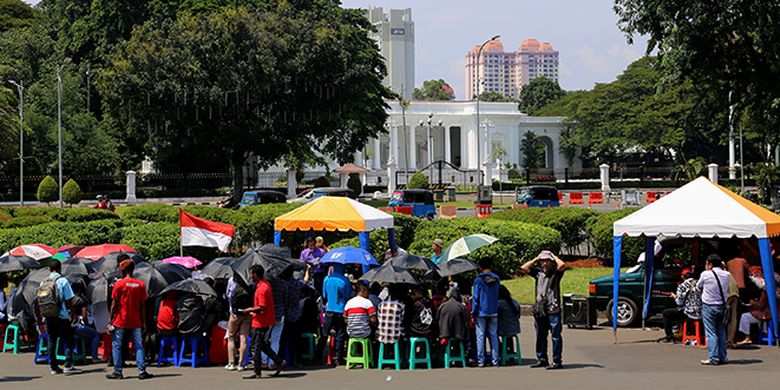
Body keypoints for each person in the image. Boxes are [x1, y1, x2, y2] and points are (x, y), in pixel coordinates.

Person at [107, 259, 153, 379]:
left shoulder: (119, 284)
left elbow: (114, 304)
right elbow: (143, 305)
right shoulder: (140, 284)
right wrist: (143, 321)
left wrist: (110, 320)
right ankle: (142, 371)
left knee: (117, 345)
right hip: (136, 321)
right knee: (138, 345)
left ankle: (117, 371)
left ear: (123, 270)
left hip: (120, 320)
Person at [521, 250, 567, 370]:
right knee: (540, 335)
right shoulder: (538, 273)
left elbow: (562, 265)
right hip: (540, 309)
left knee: (556, 336)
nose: (545, 263)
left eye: (547, 260)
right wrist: (536, 258)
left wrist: (554, 256)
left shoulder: (556, 273)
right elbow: (524, 268)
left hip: (553, 308)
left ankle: (557, 361)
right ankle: (542, 359)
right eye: (543, 261)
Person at [34, 261, 79, 375]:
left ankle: (54, 367)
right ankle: (68, 364)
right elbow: (69, 300)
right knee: (69, 339)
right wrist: (73, 314)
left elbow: (39, 301)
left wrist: (40, 319)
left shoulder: (43, 283)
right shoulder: (63, 281)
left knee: (52, 340)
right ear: (60, 268)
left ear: (49, 269)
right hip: (62, 315)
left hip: (48, 316)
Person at [242, 265, 287, 379]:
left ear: (256, 274)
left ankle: (257, 371)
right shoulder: (264, 285)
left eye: (252, 274)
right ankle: (279, 361)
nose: (251, 276)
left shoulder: (262, 288)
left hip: (261, 321)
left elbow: (261, 307)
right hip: (264, 320)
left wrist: (249, 309)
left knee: (256, 346)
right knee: (262, 345)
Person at [696, 254, 732, 366]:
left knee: (711, 333)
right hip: (722, 306)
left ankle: (713, 358)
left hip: (708, 306)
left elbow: (698, 286)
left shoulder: (705, 274)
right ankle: (723, 357)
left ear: (710, 264)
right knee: (721, 331)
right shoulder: (727, 274)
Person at [318, 264, 352, 366]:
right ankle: (338, 357)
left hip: (330, 309)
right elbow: (347, 295)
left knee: (324, 333)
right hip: (341, 309)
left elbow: (324, 295)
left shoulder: (327, 279)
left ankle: (318, 356)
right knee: (340, 334)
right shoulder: (345, 280)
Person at [659, 268, 701, 343]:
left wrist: (674, 296)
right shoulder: (699, 284)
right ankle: (686, 332)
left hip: (688, 313)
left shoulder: (682, 286)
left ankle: (670, 336)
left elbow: (679, 302)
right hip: (700, 312)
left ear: (682, 276)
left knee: (666, 313)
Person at [471, 258, 500, 367]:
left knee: (480, 336)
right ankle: (495, 360)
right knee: (493, 335)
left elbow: (476, 297)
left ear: (481, 267)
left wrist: (473, 312)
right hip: (493, 310)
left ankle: (480, 360)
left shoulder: (478, 280)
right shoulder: (496, 279)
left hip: (481, 311)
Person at [225, 276, 252, 371]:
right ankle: (241, 364)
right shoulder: (250, 280)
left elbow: (228, 295)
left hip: (234, 313)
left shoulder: (232, 281)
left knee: (231, 337)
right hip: (247, 313)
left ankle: (231, 363)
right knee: (243, 338)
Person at [261, 274, 288, 368]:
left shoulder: (266, 284)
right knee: (275, 339)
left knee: (264, 339)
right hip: (280, 314)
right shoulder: (283, 284)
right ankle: (272, 362)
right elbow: (285, 300)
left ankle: (263, 361)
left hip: (268, 314)